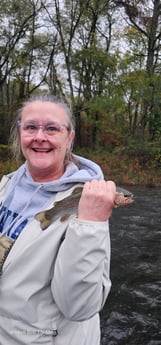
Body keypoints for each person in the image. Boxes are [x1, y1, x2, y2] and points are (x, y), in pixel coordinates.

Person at [0, 93, 116, 345]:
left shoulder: (88, 200)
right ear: (19, 133)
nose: (40, 136)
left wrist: (91, 224)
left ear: (69, 137)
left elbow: (79, 307)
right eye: (31, 127)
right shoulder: (5, 184)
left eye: (52, 128)